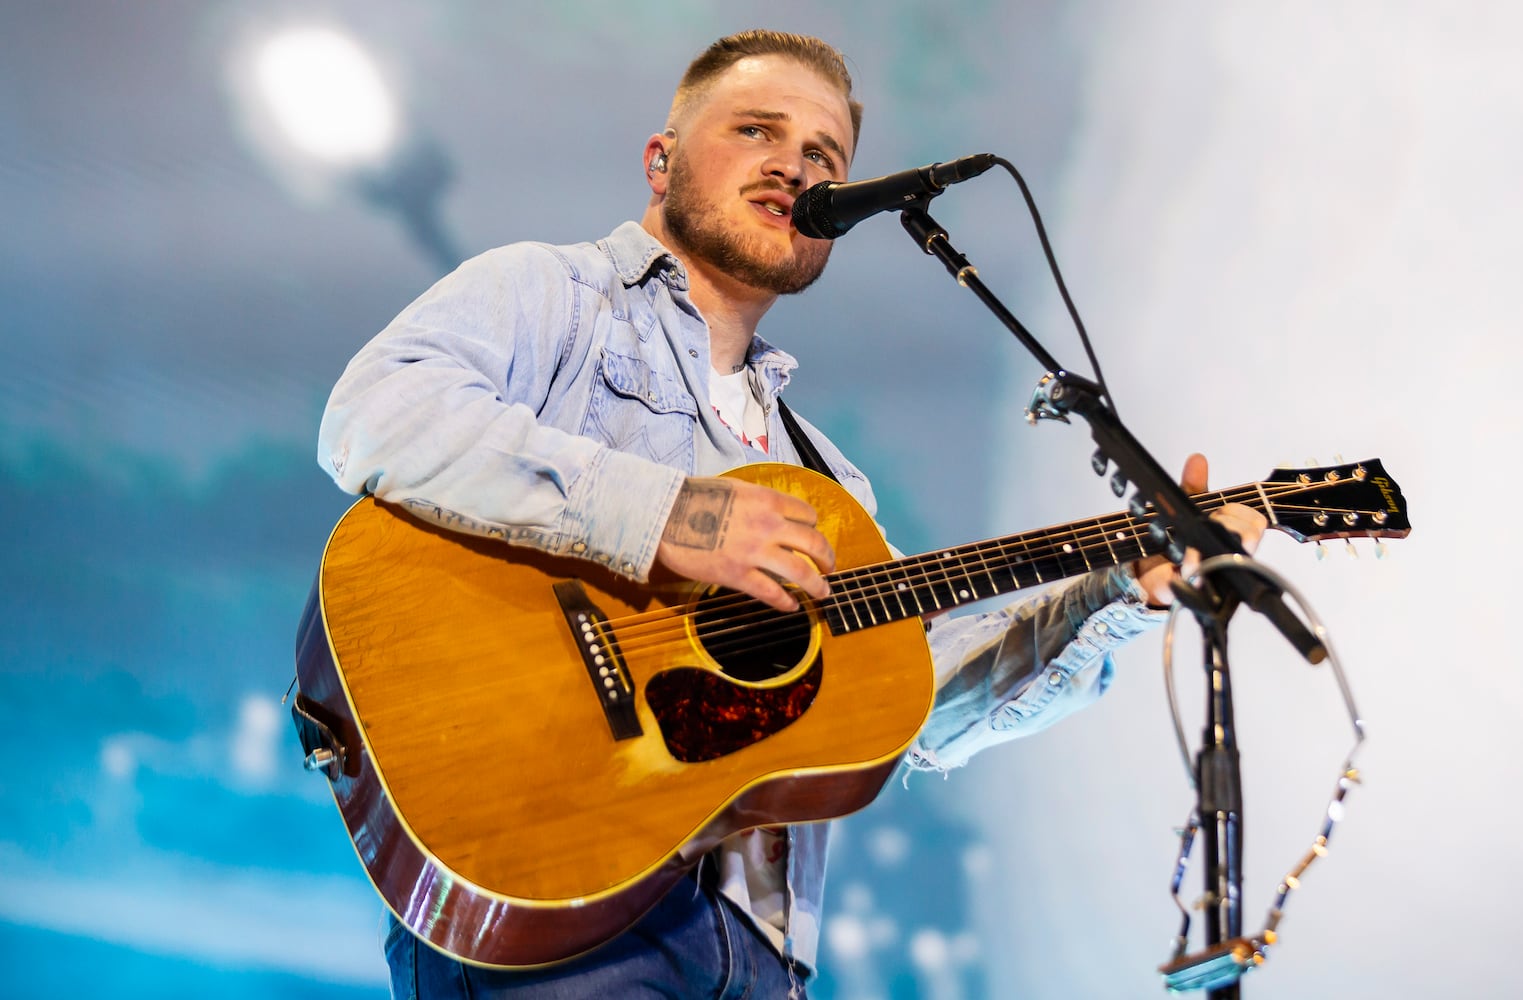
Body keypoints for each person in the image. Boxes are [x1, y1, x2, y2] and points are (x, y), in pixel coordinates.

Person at [317, 29, 1264, 1000]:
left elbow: (921, 706)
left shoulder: (825, 481)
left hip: (761, 956)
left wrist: (1114, 588)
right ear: (661, 159)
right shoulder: (555, 295)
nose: (793, 166)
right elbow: (373, 416)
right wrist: (671, 519)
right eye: (756, 130)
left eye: (823, 157)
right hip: (559, 910)